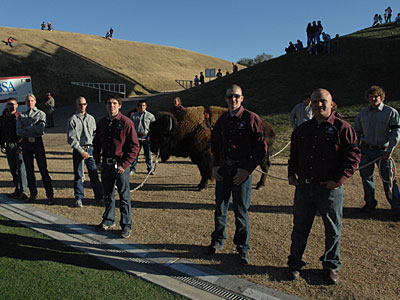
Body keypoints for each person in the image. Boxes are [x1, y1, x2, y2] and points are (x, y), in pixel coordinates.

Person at [287, 88, 360, 284]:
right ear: (309, 103)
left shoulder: (343, 128)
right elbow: (293, 155)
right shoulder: (302, 129)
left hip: (330, 190)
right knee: (300, 228)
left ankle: (331, 266)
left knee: (332, 229)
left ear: (332, 103)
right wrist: (291, 173)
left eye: (323, 101)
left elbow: (353, 157)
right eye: (315, 101)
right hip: (304, 188)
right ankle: (294, 264)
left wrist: (339, 180)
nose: (319, 104)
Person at [206, 84, 268, 265]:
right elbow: (215, 145)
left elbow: (260, 149)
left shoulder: (251, 119)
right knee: (220, 208)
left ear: (242, 98)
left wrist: (247, 170)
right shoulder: (223, 120)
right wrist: (215, 166)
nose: (232, 99)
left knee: (241, 211)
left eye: (236, 96)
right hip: (224, 170)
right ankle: (217, 241)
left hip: (241, 172)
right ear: (225, 99)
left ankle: (242, 248)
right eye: (229, 96)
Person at [93, 94, 139, 238]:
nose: (111, 106)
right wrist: (98, 162)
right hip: (106, 165)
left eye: (114, 103)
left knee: (124, 197)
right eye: (109, 103)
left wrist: (124, 164)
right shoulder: (102, 123)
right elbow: (96, 145)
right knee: (108, 195)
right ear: (106, 105)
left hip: (120, 166)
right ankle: (108, 219)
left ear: (119, 106)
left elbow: (134, 147)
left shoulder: (127, 123)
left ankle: (126, 225)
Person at [354, 85, 400, 219]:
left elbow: (395, 133)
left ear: (381, 97)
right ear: (367, 98)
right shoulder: (363, 113)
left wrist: (389, 150)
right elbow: (357, 131)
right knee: (366, 178)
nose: (373, 99)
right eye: (371, 96)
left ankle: (396, 206)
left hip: (383, 151)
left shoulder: (390, 112)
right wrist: (357, 147)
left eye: (376, 96)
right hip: (366, 150)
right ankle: (370, 204)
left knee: (389, 179)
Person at [16, 93, 54, 204]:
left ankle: (49, 195)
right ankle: (33, 194)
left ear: (35, 101)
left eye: (31, 100)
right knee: (29, 170)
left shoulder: (41, 114)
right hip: (26, 144)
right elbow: (18, 131)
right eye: (28, 101)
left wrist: (26, 128)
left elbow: (41, 129)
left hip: (37, 143)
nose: (30, 103)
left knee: (43, 169)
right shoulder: (22, 116)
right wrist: (33, 128)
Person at [66, 97, 104, 208]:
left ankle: (99, 196)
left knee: (94, 174)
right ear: (76, 105)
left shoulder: (91, 118)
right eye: (80, 104)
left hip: (90, 148)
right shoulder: (72, 119)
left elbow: (94, 134)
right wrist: (81, 151)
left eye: (84, 104)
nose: (82, 106)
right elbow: (71, 139)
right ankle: (78, 198)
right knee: (78, 175)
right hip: (79, 149)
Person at [0, 98, 27, 200]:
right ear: (6, 106)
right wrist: (2, 145)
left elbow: (24, 133)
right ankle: (17, 189)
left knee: (21, 169)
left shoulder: (20, 117)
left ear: (17, 106)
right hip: (9, 146)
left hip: (18, 146)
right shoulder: (3, 118)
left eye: (14, 104)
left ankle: (23, 191)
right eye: (10, 104)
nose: (12, 106)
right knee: (13, 169)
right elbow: (1, 132)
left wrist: (21, 146)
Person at [130, 100, 155, 175]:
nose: (142, 107)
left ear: (146, 106)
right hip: (137, 137)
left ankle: (150, 169)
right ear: (138, 107)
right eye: (140, 105)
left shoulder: (151, 116)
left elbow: (153, 127)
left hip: (146, 137)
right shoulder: (133, 116)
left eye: (143, 105)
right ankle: (133, 169)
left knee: (148, 155)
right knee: (135, 154)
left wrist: (150, 136)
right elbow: (131, 127)